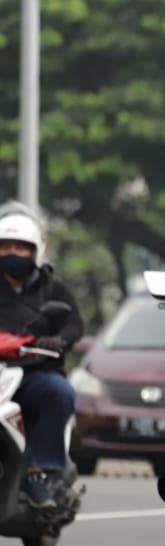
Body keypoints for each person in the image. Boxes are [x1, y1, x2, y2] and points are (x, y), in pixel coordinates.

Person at [0, 211, 84, 509]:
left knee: (57, 392)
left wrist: (59, 340)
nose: (12, 254)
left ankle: (38, 472)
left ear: (35, 250)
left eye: (20, 248)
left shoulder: (53, 288)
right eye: (5, 247)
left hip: (34, 374)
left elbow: (74, 324)